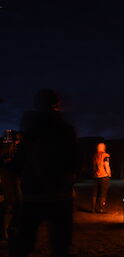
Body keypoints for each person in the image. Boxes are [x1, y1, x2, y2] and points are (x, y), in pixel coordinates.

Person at [11, 89, 77, 257]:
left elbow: (19, 161)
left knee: (25, 240)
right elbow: (75, 160)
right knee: (60, 244)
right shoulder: (65, 127)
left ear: (37, 104)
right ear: (56, 103)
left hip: (34, 193)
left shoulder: (30, 127)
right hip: (60, 195)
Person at [92, 142, 111, 213]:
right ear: (103, 147)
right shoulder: (105, 155)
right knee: (103, 193)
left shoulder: (95, 155)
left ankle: (93, 209)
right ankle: (101, 209)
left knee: (95, 193)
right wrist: (109, 173)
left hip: (95, 176)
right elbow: (106, 165)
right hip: (104, 177)